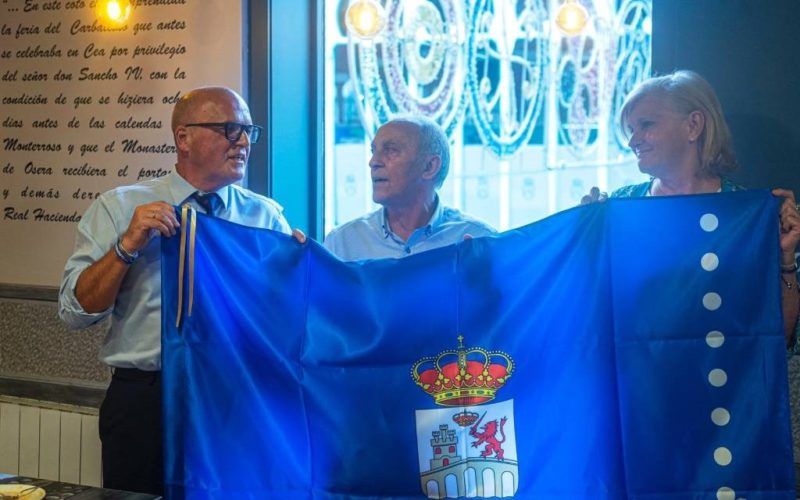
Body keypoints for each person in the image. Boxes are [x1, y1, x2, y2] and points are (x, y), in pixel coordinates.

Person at [58, 87, 297, 495]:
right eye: (228, 129)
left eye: (247, 131)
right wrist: (127, 245)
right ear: (183, 138)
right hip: (146, 401)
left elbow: (282, 320)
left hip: (233, 398)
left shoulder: (264, 217)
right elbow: (75, 311)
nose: (242, 141)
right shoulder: (119, 207)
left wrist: (297, 275)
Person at [581, 70, 800, 348]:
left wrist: (785, 259)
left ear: (694, 125)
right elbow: (590, 319)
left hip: (724, 386)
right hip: (640, 385)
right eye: (631, 129)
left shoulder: (747, 215)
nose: (633, 140)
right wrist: (583, 244)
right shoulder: (618, 208)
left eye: (646, 124)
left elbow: (780, 336)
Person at [324, 116, 495, 260]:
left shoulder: (480, 241)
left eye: (390, 150)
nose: (373, 162)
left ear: (429, 166)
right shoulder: (341, 244)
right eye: (373, 151)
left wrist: (477, 285)